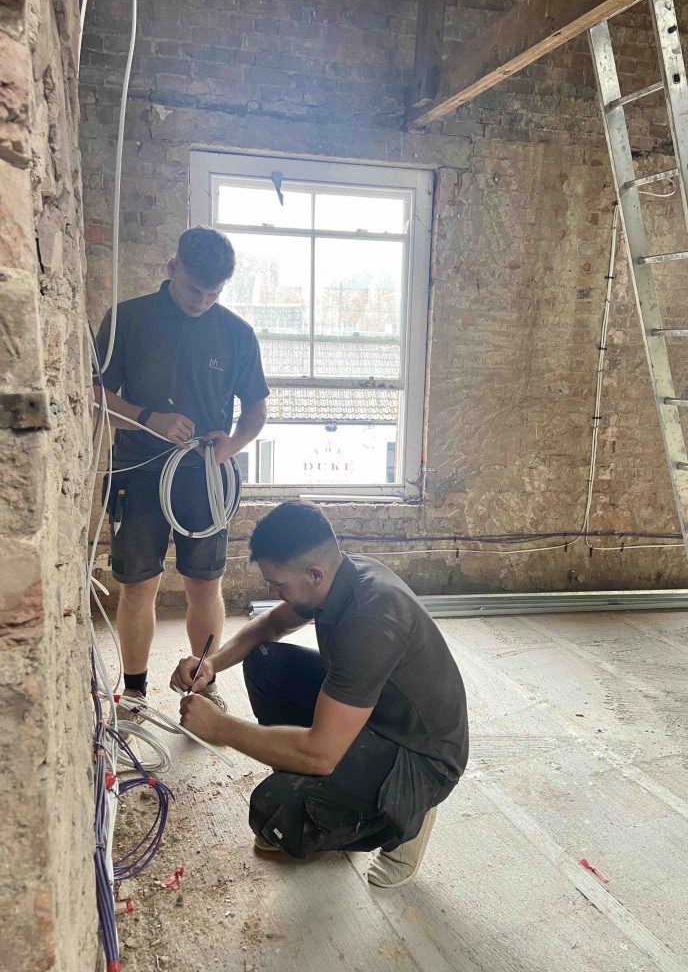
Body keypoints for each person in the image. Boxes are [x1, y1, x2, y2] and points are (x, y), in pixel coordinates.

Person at [172, 500, 469, 888]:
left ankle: (407, 816)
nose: (271, 590)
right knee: (264, 661)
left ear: (314, 573)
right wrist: (212, 663)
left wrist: (220, 727)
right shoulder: (337, 577)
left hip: (421, 754)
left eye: (278, 583)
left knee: (273, 811)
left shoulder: (372, 618)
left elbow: (320, 753)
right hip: (376, 712)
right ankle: (339, 796)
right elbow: (274, 624)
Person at [94, 227, 269, 712]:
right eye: (195, 289)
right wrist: (150, 417)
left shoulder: (235, 332)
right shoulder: (128, 319)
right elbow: (96, 393)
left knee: (204, 584)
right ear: (172, 268)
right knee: (138, 585)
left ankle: (202, 680)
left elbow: (257, 407)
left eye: (214, 293)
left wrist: (230, 445)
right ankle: (133, 689)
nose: (203, 300)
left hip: (203, 478)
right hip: (138, 469)